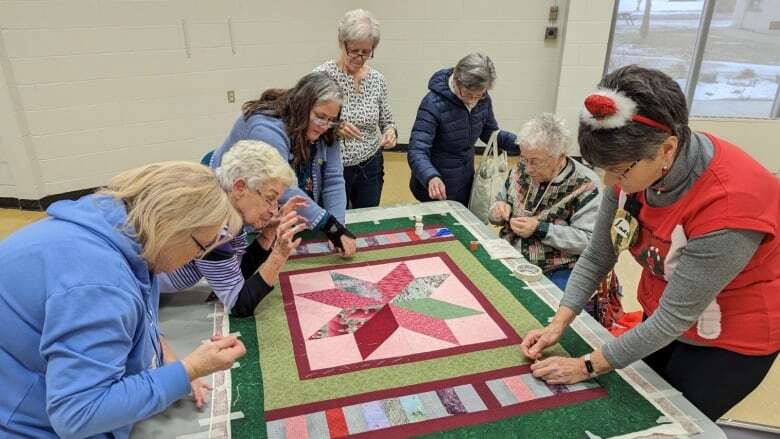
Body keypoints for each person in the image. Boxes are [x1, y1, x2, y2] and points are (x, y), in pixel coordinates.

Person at [521, 65, 780, 420]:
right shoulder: (633, 167)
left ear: (667, 149)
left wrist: (585, 365)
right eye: (601, 168)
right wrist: (559, 322)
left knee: (672, 422)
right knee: (634, 403)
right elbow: (599, 253)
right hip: (664, 316)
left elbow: (674, 317)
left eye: (619, 171)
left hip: (730, 339)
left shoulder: (731, 206)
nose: (609, 181)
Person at [0, 162, 246, 438]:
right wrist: (188, 370)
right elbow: (78, 415)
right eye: (201, 247)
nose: (196, 258)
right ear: (171, 227)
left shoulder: (119, 230)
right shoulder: (100, 283)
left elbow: (139, 320)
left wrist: (170, 361)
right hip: (23, 422)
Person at [488, 114, 622, 328]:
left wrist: (540, 229)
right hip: (511, 255)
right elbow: (499, 201)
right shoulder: (521, 169)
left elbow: (590, 241)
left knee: (537, 319)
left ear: (560, 156)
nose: (527, 168)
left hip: (560, 268)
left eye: (535, 162)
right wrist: (497, 211)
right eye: (524, 158)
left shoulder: (586, 185)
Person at [210, 72, 357, 257]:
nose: (325, 125)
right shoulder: (267, 127)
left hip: (271, 220)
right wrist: (330, 225)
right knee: (238, 270)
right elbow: (283, 187)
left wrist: (338, 227)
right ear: (302, 107)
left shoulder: (328, 128)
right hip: (236, 216)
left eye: (331, 120)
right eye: (320, 117)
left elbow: (333, 180)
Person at [160, 141, 307, 318]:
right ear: (239, 188)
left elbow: (238, 272)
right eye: (270, 199)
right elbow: (239, 304)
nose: (273, 210)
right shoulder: (211, 223)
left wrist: (269, 233)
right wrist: (279, 255)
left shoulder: (226, 208)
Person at [408, 52, 517, 205]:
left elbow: (490, 134)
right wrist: (430, 176)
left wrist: (520, 143)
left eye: (478, 95)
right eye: (468, 94)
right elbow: (417, 149)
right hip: (436, 186)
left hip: (465, 181)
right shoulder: (432, 103)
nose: (473, 100)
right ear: (456, 81)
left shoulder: (483, 99)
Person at [315, 8, 397, 208]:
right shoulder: (321, 77)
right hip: (333, 168)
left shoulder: (377, 80)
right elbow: (305, 121)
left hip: (370, 165)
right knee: (336, 222)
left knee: (368, 221)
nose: (359, 58)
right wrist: (333, 127)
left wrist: (390, 131)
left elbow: (387, 119)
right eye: (354, 51)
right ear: (341, 43)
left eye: (366, 52)